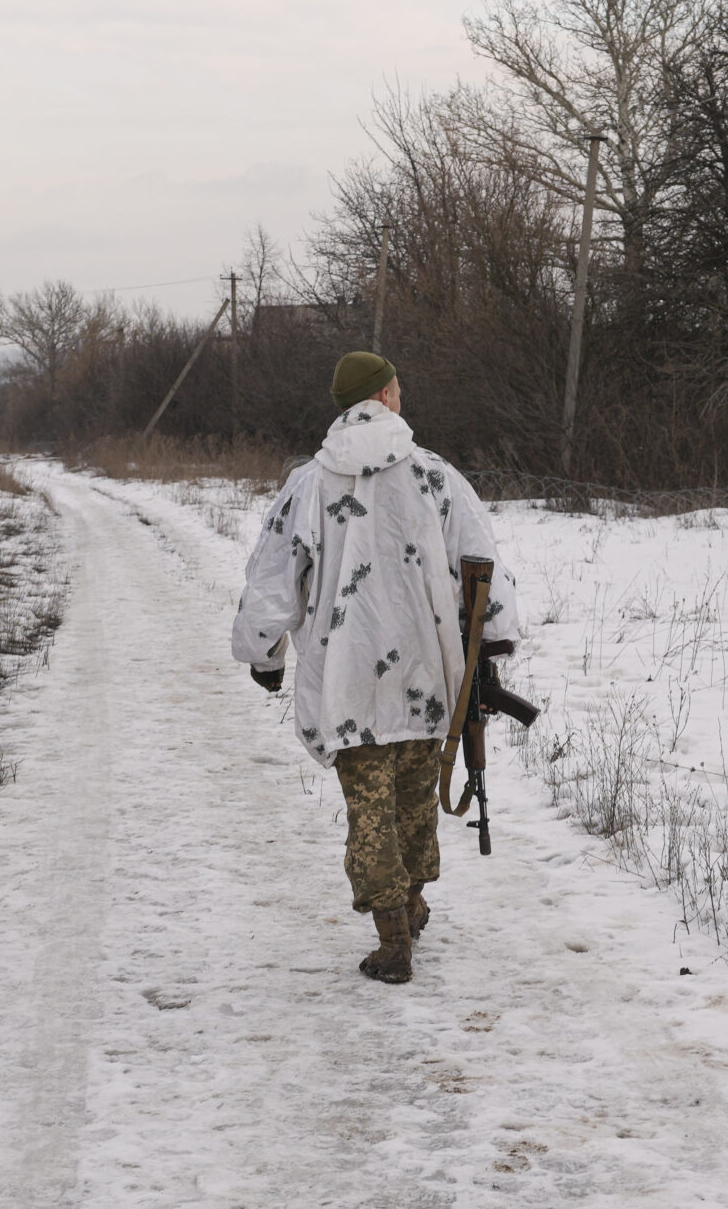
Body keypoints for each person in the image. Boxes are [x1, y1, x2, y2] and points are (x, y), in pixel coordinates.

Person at [232, 352, 519, 983]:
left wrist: (264, 652)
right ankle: (407, 911)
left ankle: (396, 930)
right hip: (428, 671)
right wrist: (493, 647)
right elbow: (481, 564)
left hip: (347, 677)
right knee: (417, 799)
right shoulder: (436, 476)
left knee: (370, 809)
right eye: (398, 388)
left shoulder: (308, 484)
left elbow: (275, 575)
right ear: (385, 397)